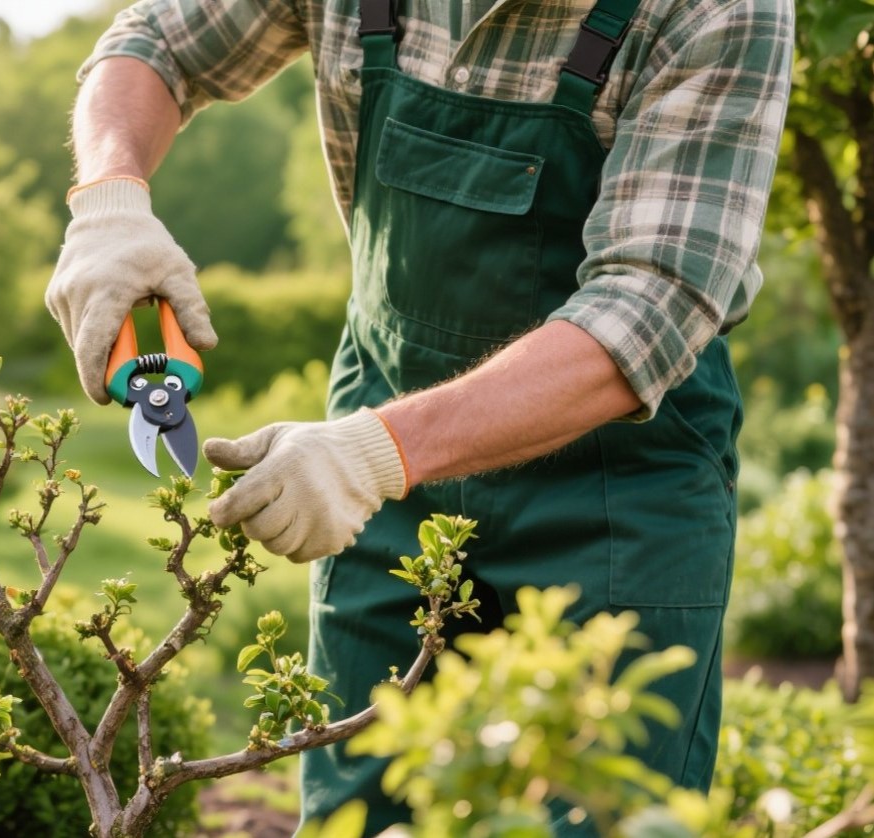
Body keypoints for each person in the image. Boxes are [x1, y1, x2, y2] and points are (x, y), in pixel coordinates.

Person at [46, 0, 793, 832]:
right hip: (382, 475)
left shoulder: (717, 10)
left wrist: (373, 451)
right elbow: (157, 42)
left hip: (617, 492)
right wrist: (109, 200)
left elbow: (647, 308)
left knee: (601, 812)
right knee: (359, 808)